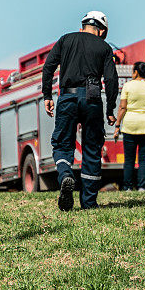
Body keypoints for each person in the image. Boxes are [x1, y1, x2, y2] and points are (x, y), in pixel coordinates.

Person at [43, 11, 118, 211]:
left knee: (62, 144)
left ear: (82, 26)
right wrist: (110, 108)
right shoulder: (104, 47)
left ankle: (65, 174)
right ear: (102, 31)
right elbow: (111, 80)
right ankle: (89, 203)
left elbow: (48, 67)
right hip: (92, 99)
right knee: (92, 149)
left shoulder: (65, 40)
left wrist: (47, 96)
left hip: (67, 97)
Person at [114, 61, 145, 191]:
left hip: (130, 125)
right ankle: (142, 187)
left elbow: (123, 107)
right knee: (144, 159)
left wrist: (117, 125)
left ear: (135, 72)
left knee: (129, 159)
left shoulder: (128, 86)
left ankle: (128, 187)